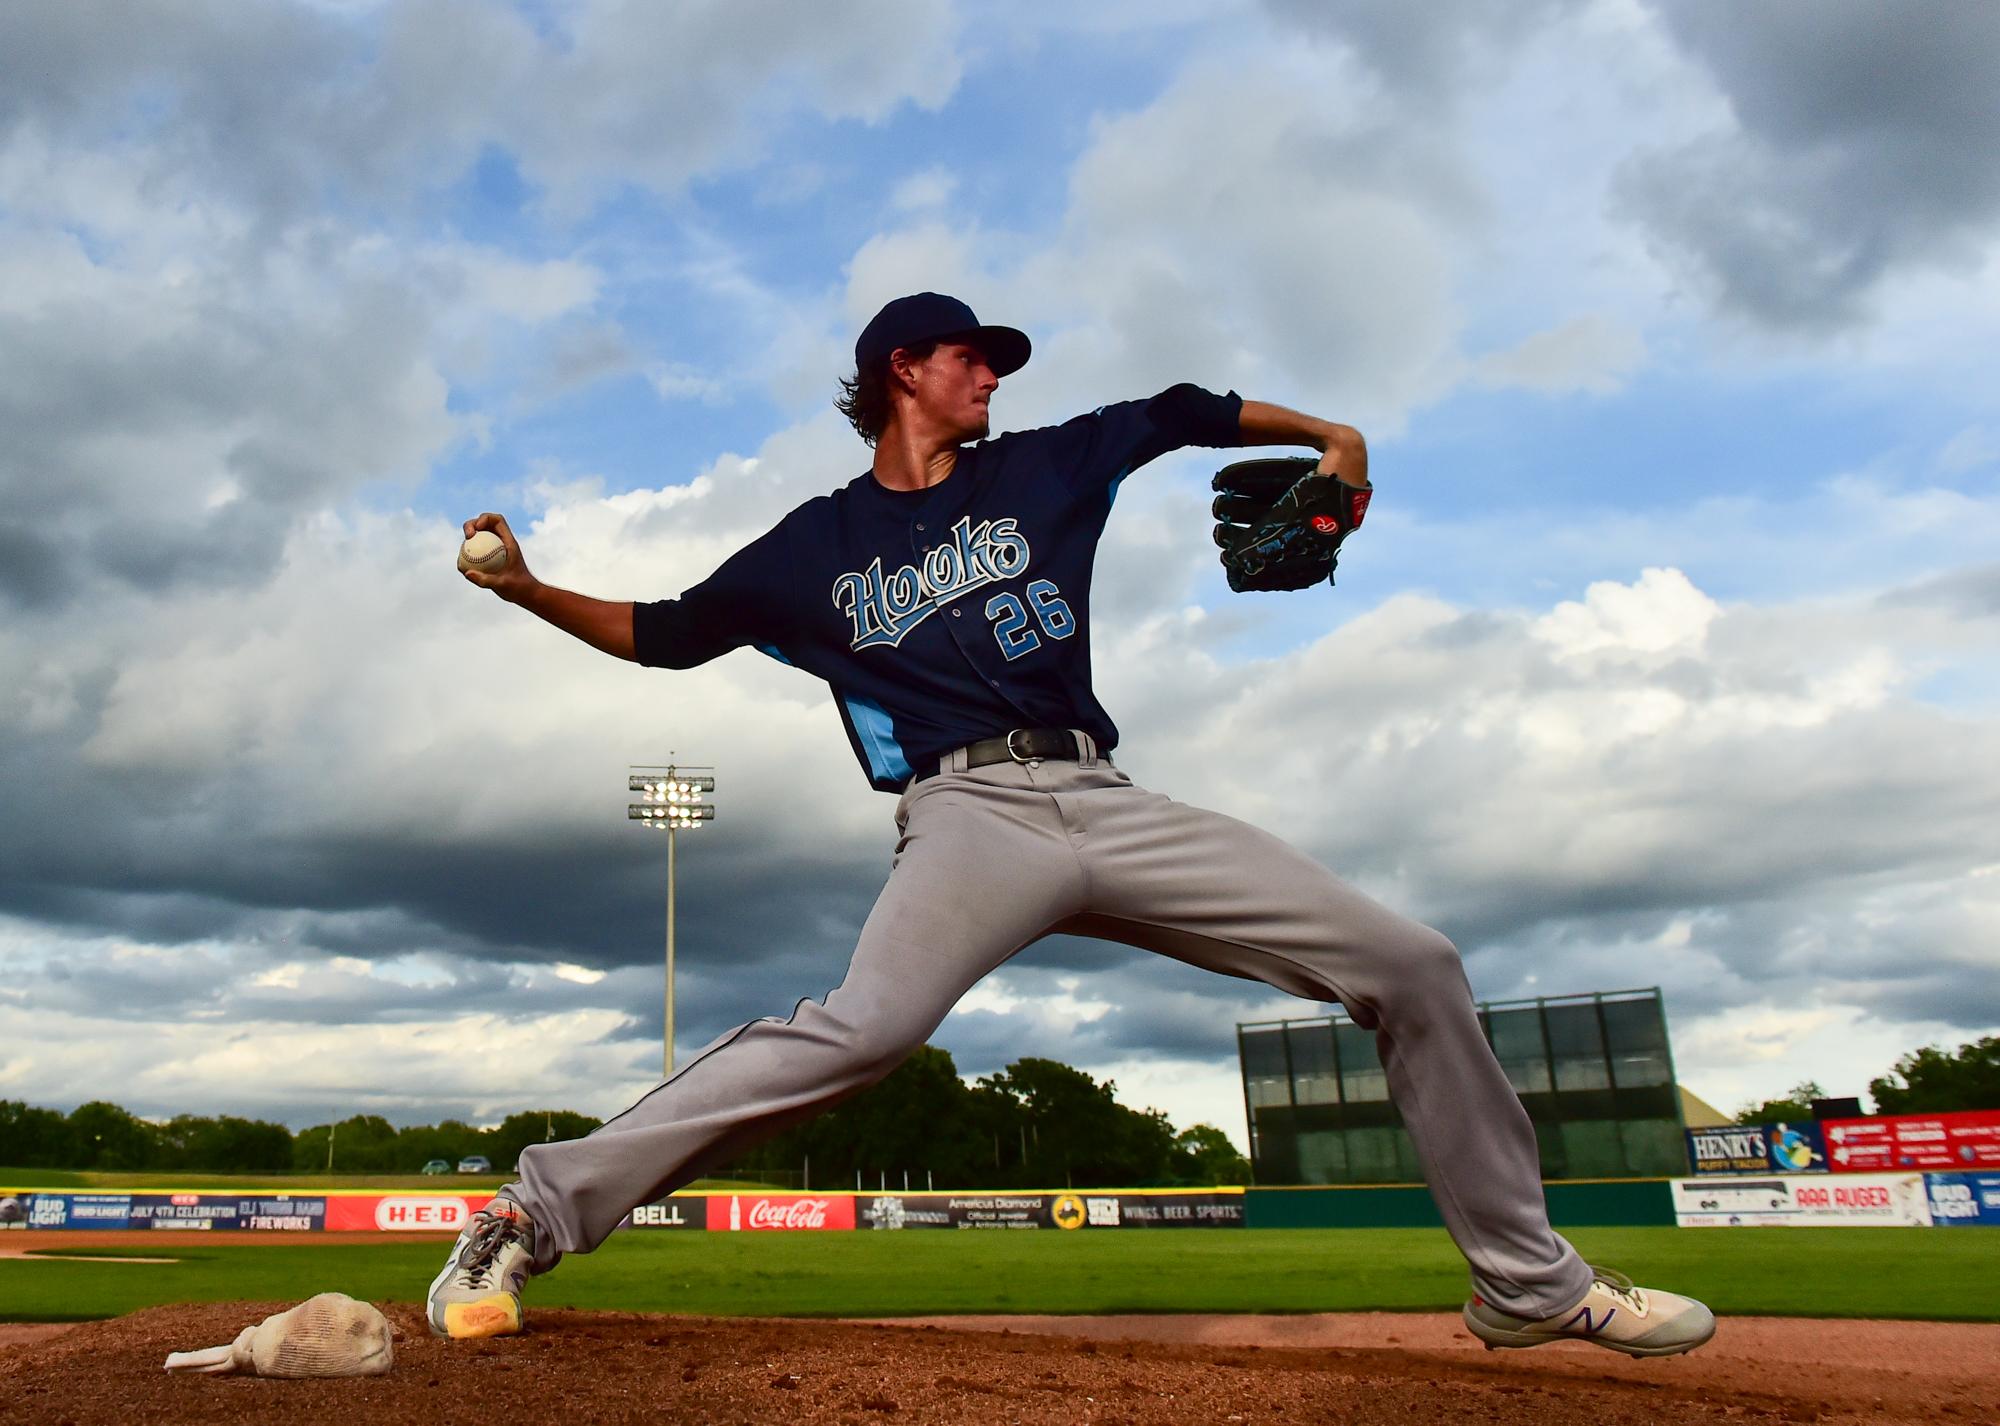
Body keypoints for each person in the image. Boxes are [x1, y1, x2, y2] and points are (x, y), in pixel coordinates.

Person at [429, 292, 1714, 1359]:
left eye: (994, 361)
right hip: (967, 815)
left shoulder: (1040, 464)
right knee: (861, 1031)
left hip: (1104, 794)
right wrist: (528, 586)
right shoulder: (812, 545)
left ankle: (1527, 1285)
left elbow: (1178, 415)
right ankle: (526, 1218)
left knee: (1412, 963)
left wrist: (1338, 438)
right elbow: (659, 637)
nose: (992, 373)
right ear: (904, 369)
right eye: (972, 356)